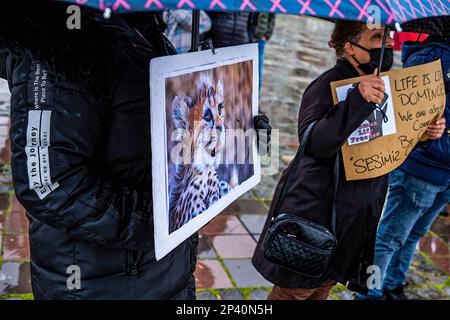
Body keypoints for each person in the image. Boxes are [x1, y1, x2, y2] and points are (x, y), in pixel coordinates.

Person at [0, 3, 196, 299]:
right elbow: (48, 185)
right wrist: (157, 219)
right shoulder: (54, 43)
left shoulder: (141, 23)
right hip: (99, 281)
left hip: (167, 267)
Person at [252, 21, 446, 300]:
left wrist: (424, 135)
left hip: (355, 215)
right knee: (295, 292)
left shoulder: (384, 86)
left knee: (324, 286)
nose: (389, 43)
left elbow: (388, 142)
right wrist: (358, 99)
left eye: (389, 36)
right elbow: (315, 142)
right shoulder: (326, 83)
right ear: (349, 47)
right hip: (318, 209)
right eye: (378, 37)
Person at [356, 35, 449, 300]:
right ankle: (368, 292)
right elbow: (403, 112)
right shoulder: (430, 56)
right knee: (391, 236)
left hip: (445, 171)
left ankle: (393, 283)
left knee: (415, 233)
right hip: (421, 168)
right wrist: (428, 132)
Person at [252, 13, 276, 89]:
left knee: (257, 73)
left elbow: (272, 16)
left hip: (259, 38)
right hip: (246, 35)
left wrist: (266, 35)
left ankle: (256, 98)